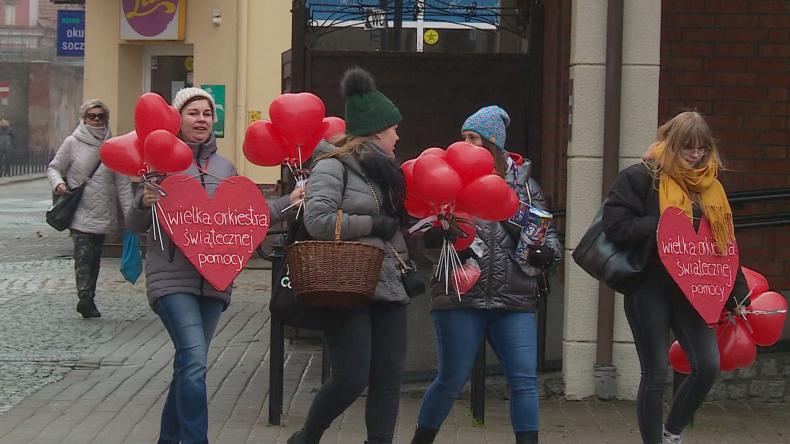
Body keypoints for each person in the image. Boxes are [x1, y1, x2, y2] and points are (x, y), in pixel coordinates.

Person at [125, 87, 302, 444]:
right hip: (171, 280)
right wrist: (144, 201)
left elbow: (246, 216)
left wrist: (289, 201)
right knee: (194, 361)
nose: (202, 119)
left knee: (189, 366)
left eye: (207, 113)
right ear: (178, 119)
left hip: (215, 283)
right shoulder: (160, 163)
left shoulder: (225, 168)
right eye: (193, 113)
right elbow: (134, 224)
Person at [410, 106, 562, 444]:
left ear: (493, 145)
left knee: (523, 380)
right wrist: (435, 239)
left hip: (514, 298)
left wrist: (547, 252)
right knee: (450, 379)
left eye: (474, 138)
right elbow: (420, 238)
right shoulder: (447, 179)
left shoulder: (525, 187)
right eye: (463, 137)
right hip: (462, 297)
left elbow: (547, 232)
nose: (465, 144)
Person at [601, 111, 748, 444]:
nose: (695, 156)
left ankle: (672, 432)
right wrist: (661, 227)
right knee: (655, 372)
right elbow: (615, 225)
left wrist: (736, 294)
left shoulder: (711, 187)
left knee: (707, 366)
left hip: (694, 289)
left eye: (702, 149)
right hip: (649, 284)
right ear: (670, 143)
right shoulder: (641, 177)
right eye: (687, 148)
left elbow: (723, 246)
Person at [287, 67, 411, 444]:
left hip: (388, 283)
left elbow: (395, 227)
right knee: (352, 377)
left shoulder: (387, 173)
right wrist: (373, 224)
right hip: (346, 284)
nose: (398, 136)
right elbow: (319, 219)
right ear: (376, 132)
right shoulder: (331, 165)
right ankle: (308, 436)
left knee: (389, 378)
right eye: (394, 129)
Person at [47, 100, 132, 318]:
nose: (96, 120)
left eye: (100, 116)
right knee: (83, 257)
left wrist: (131, 214)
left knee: (94, 258)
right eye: (91, 116)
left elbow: (122, 183)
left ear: (106, 118)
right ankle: (84, 297)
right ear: (84, 118)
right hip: (79, 211)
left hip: (103, 212)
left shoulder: (113, 146)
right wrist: (58, 184)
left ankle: (89, 295)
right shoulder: (72, 143)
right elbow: (54, 168)